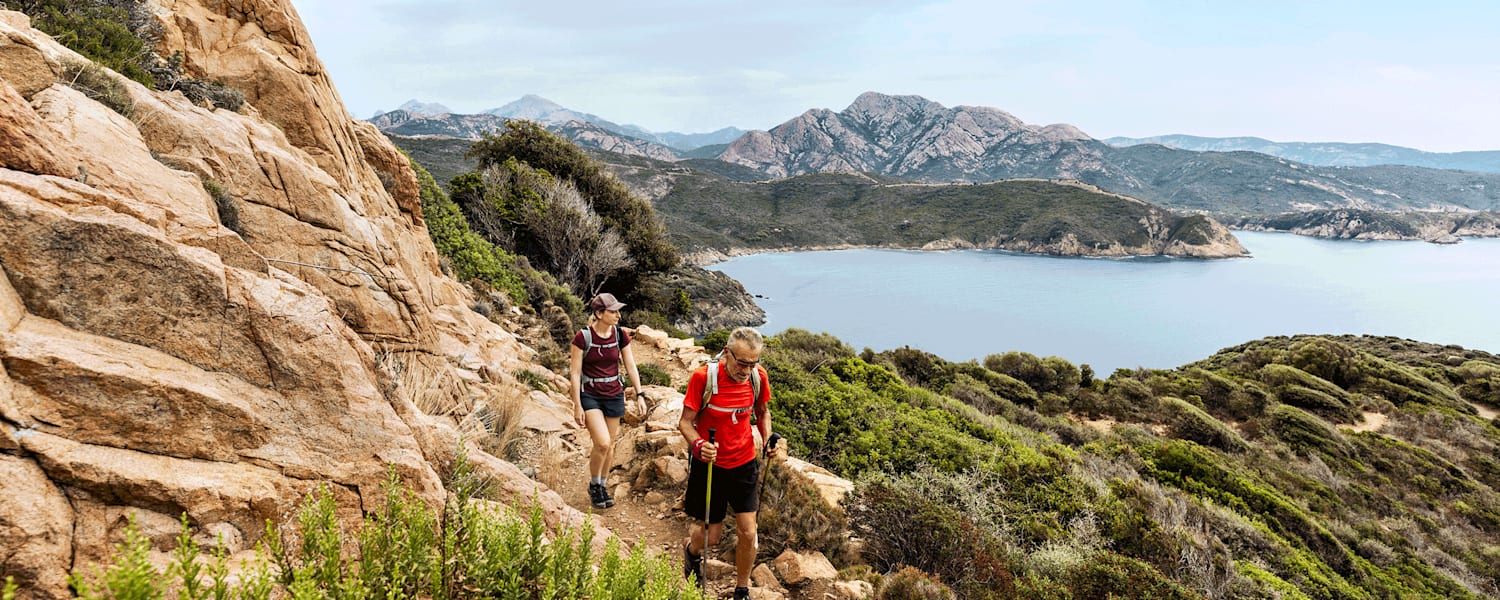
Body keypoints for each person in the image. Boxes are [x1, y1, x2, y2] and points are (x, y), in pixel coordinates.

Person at [679, 327, 780, 600]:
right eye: (742, 362)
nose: (747, 370)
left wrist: (767, 437)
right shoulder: (704, 378)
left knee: (748, 532)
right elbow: (685, 423)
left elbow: (762, 412)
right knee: (709, 537)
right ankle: (691, 553)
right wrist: (699, 445)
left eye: (753, 363)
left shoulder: (758, 378)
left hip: (744, 462)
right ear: (727, 353)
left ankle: (742, 588)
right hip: (709, 465)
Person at [571, 292, 647, 510]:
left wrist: (640, 394)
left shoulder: (620, 335)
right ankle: (594, 485)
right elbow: (575, 373)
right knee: (602, 443)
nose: (618, 315)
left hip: (614, 393)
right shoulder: (583, 337)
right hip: (590, 394)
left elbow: (631, 365)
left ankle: (602, 486)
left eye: (617, 311)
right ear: (599, 313)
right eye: (612, 311)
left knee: (610, 445)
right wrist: (577, 404)